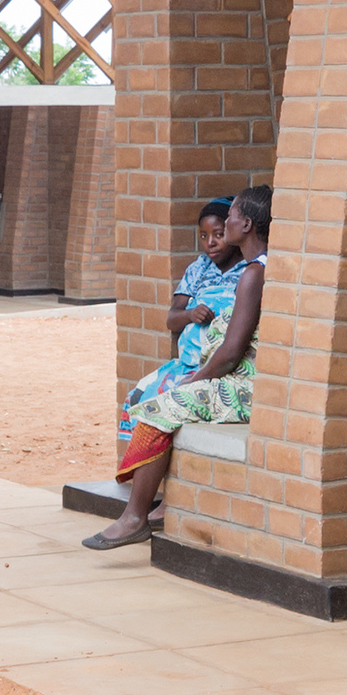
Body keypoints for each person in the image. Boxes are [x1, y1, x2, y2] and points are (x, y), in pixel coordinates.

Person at [82, 188, 269, 550]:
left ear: (245, 224)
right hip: (237, 377)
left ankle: (134, 518)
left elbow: (231, 352)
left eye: (231, 216)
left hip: (246, 385)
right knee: (165, 398)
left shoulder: (253, 274)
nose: (226, 222)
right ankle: (163, 505)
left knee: (161, 408)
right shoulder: (258, 267)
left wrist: (193, 382)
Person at [118, 198, 239, 433]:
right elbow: (172, 319)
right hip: (187, 364)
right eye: (203, 236)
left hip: (218, 367)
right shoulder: (198, 269)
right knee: (138, 397)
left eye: (219, 234)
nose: (210, 243)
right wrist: (191, 314)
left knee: (166, 404)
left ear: (233, 231)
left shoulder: (249, 271)